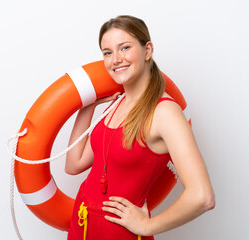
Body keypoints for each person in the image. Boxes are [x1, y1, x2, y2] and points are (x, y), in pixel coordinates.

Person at [65, 15, 215, 240]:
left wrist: (147, 226)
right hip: (82, 222)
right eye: (107, 52)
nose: (115, 59)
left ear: (147, 50)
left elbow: (202, 196)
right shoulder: (116, 104)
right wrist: (88, 108)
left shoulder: (164, 112)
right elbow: (73, 165)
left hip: (119, 233)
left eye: (124, 48)